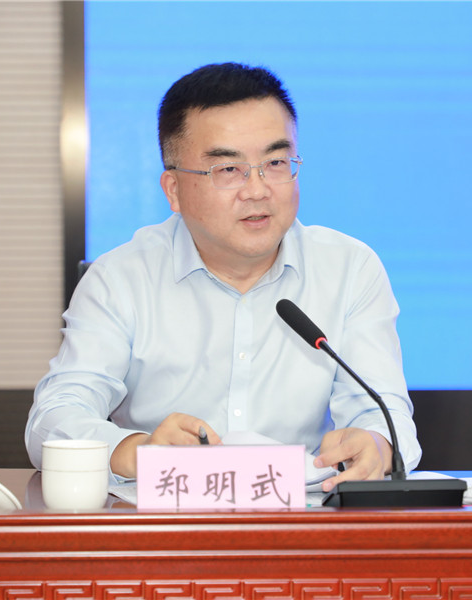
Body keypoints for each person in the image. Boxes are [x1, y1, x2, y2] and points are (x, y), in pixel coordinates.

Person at [25, 62, 421, 492]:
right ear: (174, 190)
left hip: (299, 516)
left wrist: (377, 445)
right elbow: (54, 419)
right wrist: (141, 452)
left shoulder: (349, 269)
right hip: (163, 519)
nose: (258, 190)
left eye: (275, 162)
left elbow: (384, 412)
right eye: (228, 169)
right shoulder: (120, 278)